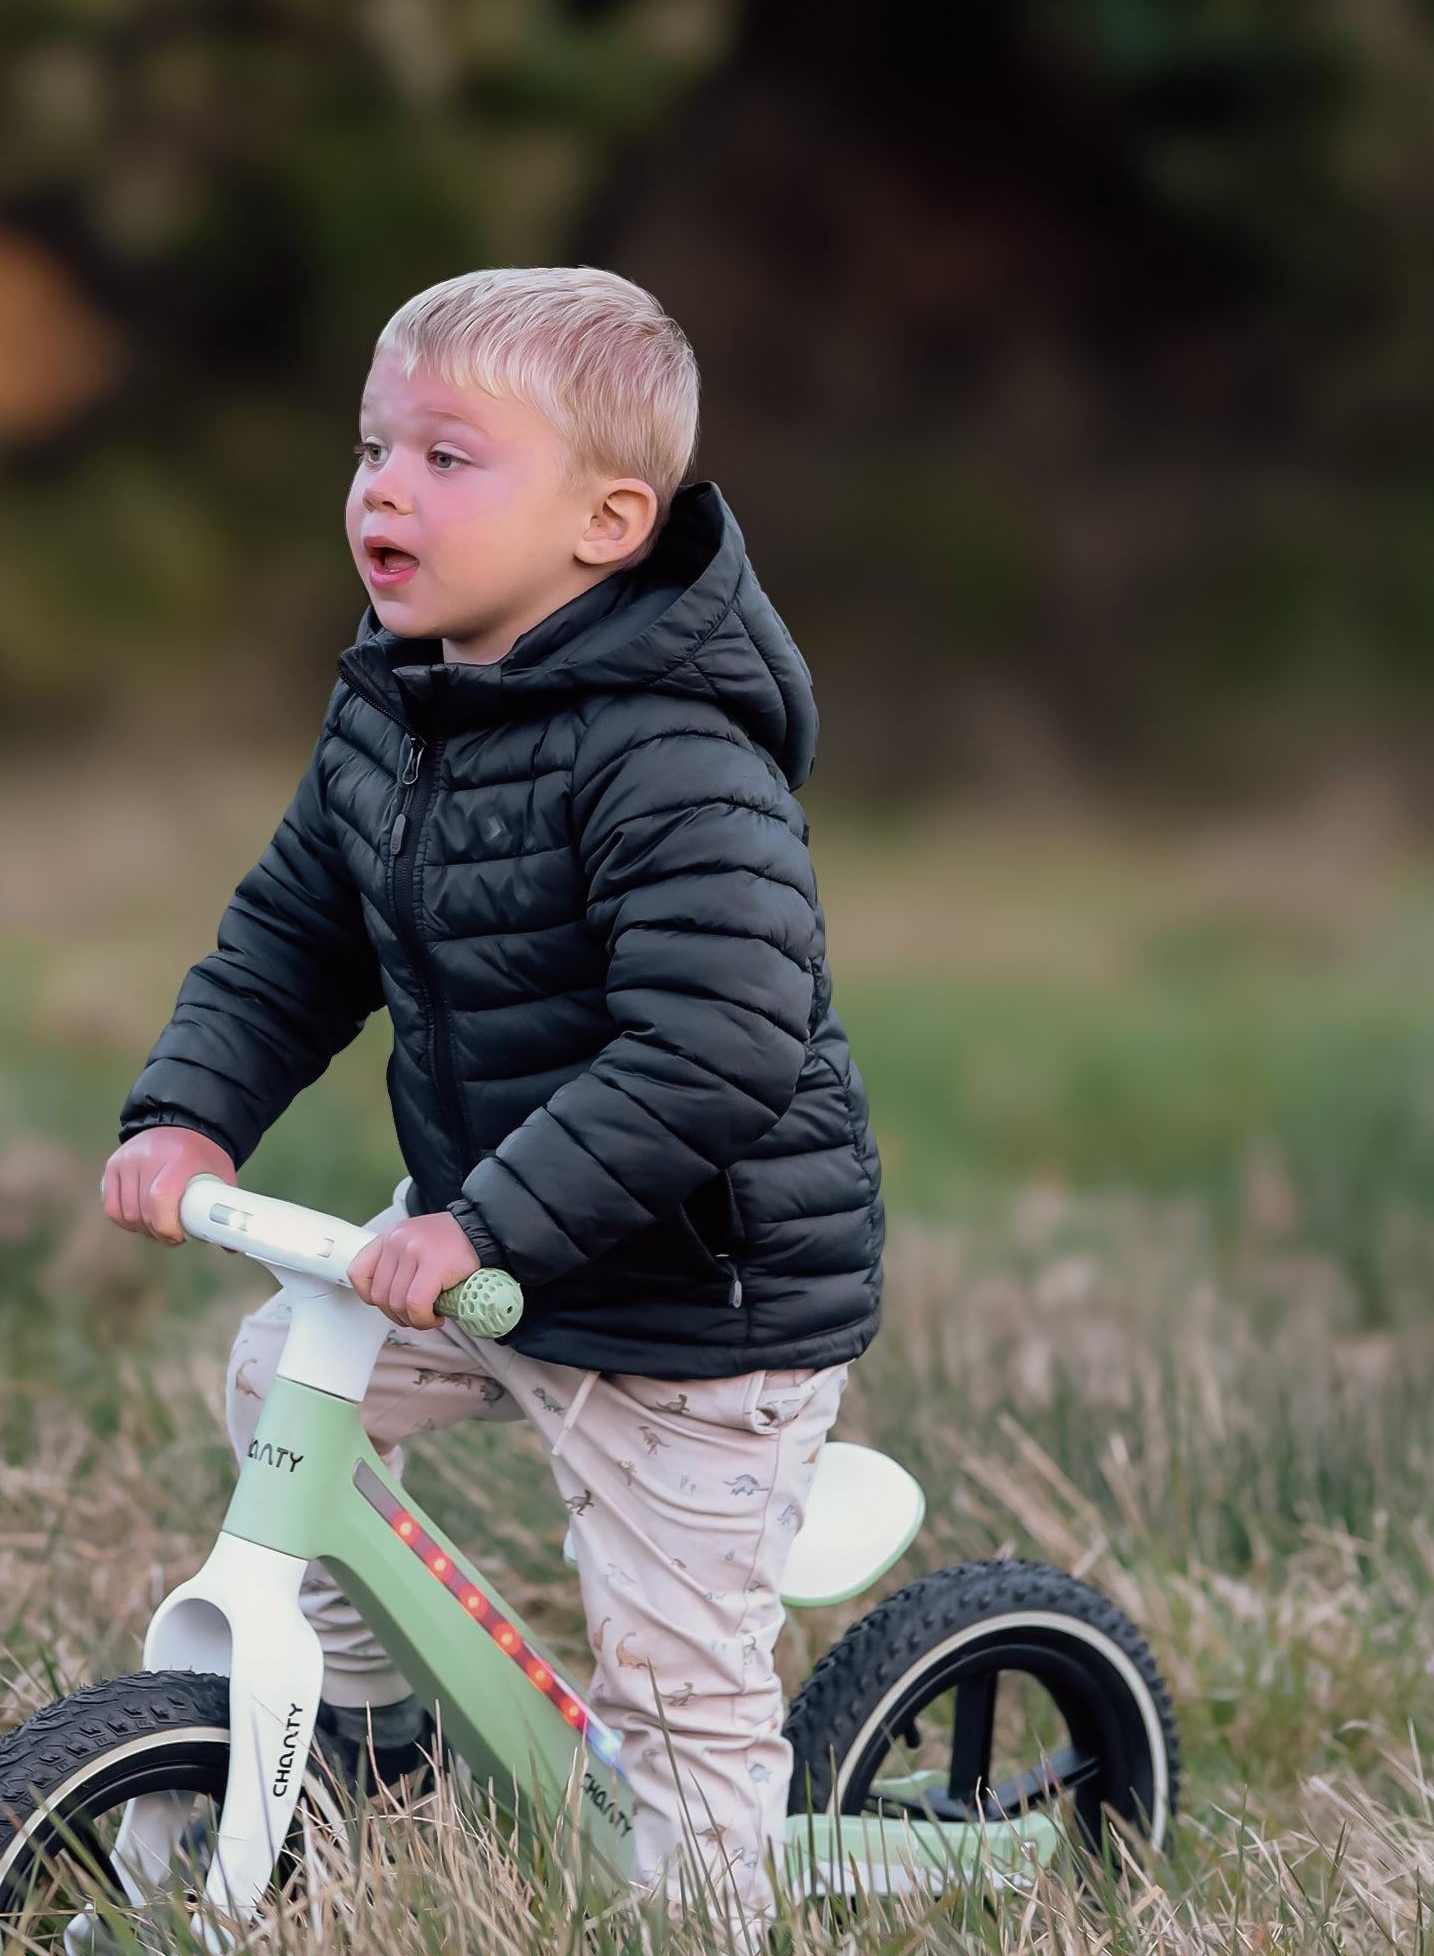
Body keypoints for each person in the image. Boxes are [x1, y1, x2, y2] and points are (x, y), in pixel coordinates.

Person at [101, 265, 882, 1936]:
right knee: (283, 1382)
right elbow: (293, 939)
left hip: (689, 1299)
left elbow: (716, 1046)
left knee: (675, 1689)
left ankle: (709, 1917)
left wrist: (483, 1224)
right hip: (494, 1237)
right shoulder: (396, 706)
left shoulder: (674, 752)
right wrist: (187, 1113)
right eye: (372, 449)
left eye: (446, 458)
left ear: (607, 523)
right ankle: (377, 1735)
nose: (384, 489)